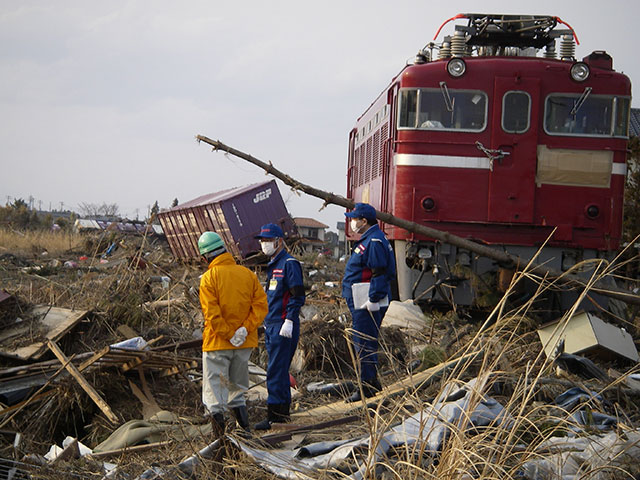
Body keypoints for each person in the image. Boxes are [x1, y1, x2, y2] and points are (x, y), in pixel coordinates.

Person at [197, 231, 268, 435]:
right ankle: (245, 433)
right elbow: (261, 306)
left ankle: (220, 443)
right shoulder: (248, 274)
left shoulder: (209, 278)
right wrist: (245, 329)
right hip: (244, 343)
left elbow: (212, 314)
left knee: (214, 395)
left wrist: (229, 334)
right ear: (225, 250)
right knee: (237, 390)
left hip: (218, 344)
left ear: (205, 257)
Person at [253, 223, 306, 430]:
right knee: (280, 370)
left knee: (275, 370)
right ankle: (282, 415)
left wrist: (290, 320)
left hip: (283, 324)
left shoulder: (289, 264)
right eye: (262, 241)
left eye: (268, 240)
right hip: (272, 323)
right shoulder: (273, 265)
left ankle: (274, 416)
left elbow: (297, 295)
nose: (264, 244)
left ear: (279, 241)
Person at [341, 203, 396, 402]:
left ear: (364, 221)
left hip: (366, 301)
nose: (352, 222)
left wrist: (373, 298)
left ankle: (365, 387)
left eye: (354, 219)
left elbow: (380, 272)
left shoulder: (374, 241)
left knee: (363, 343)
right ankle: (371, 382)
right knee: (365, 342)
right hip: (361, 299)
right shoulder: (370, 239)